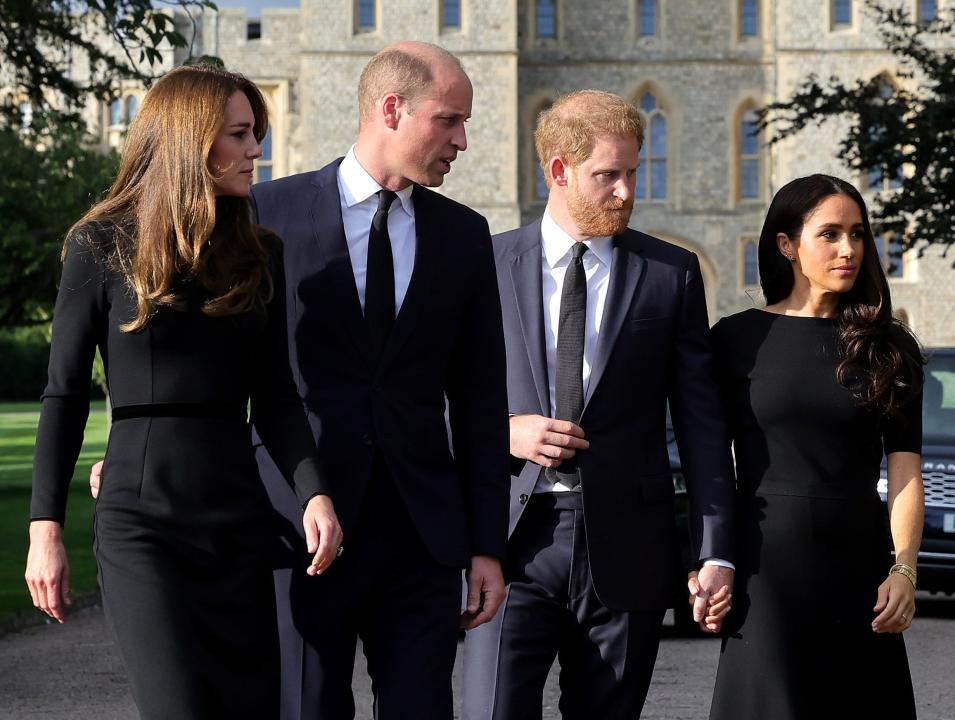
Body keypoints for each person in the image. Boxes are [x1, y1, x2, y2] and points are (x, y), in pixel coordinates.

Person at [25, 64, 342, 720]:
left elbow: (277, 395)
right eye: (241, 135)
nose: (258, 150)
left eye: (257, 133)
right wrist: (44, 528)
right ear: (191, 142)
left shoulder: (262, 253)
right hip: (142, 526)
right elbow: (64, 395)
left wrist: (313, 491)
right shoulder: (99, 244)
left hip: (239, 520)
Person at [249, 42, 510, 719]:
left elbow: (482, 401)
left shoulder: (464, 235)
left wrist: (486, 545)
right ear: (391, 109)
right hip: (302, 527)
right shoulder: (266, 213)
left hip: (422, 536)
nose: (461, 140)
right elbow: (223, 363)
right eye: (449, 121)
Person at [461, 89, 737, 720]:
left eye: (632, 173)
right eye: (606, 176)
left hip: (627, 545)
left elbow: (700, 422)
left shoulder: (672, 274)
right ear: (559, 171)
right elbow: (432, 397)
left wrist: (714, 546)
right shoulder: (487, 263)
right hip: (511, 542)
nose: (625, 191)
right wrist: (503, 431)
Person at [708, 174, 924, 720]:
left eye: (857, 234)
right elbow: (709, 461)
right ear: (787, 245)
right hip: (764, 570)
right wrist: (709, 560)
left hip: (859, 567)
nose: (848, 249)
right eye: (830, 234)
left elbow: (904, 472)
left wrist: (904, 569)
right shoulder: (734, 340)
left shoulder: (890, 348)